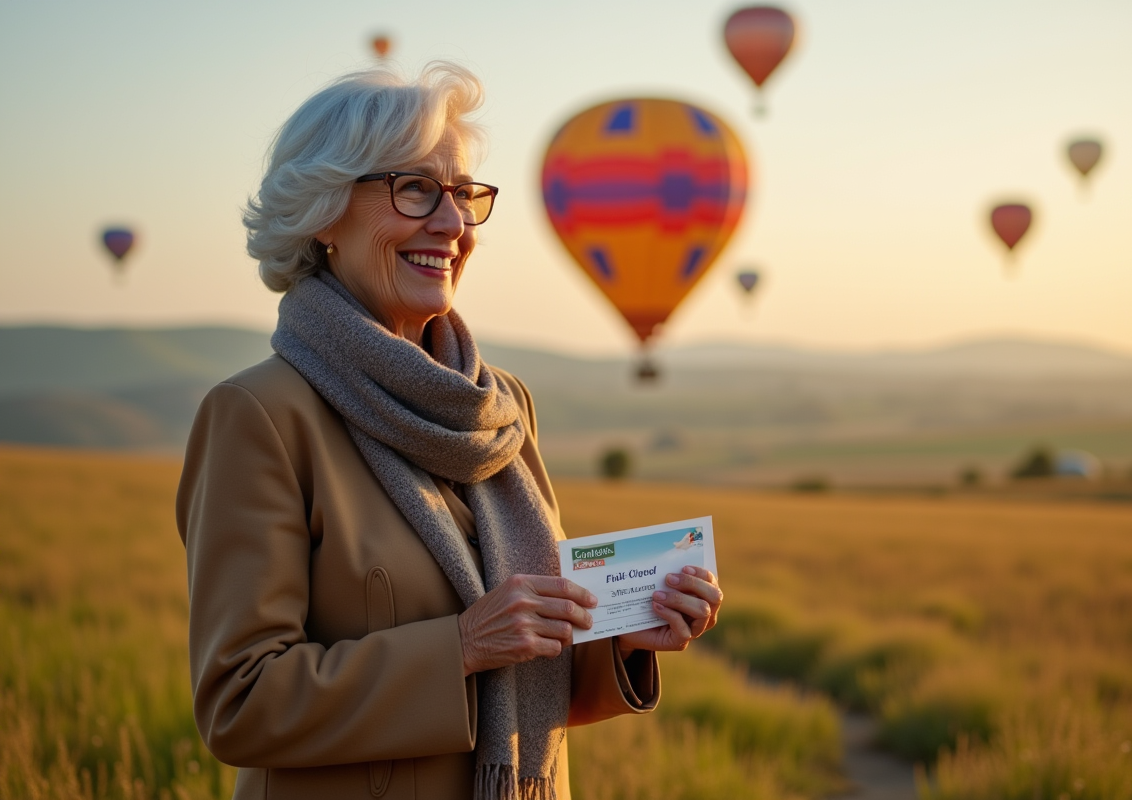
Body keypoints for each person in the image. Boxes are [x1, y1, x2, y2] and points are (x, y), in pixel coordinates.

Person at [176, 63, 723, 800]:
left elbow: (526, 682)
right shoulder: (261, 416)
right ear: (324, 214)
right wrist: (460, 647)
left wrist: (622, 641)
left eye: (464, 195)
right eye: (415, 189)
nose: (453, 223)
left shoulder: (499, 409)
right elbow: (240, 704)